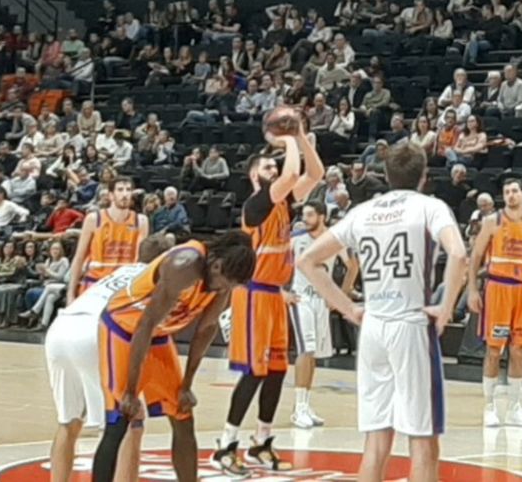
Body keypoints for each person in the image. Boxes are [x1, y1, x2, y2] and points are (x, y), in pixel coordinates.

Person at [298, 139, 469, 482]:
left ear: (387, 175)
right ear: (423, 176)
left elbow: (307, 261)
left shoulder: (363, 212)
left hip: (373, 327)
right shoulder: (429, 206)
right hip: (411, 325)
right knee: (422, 442)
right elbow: (459, 254)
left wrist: (348, 308)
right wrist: (447, 306)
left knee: (376, 442)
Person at [89, 232, 257, 482]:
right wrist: (131, 391)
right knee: (119, 419)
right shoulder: (185, 264)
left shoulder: (222, 278)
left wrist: (186, 385)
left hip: (158, 334)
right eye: (225, 282)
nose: (225, 289)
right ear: (217, 265)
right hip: (123, 330)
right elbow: (144, 324)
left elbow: (205, 330)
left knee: (182, 414)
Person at [212, 119, 324, 474]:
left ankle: (261, 443)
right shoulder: (256, 204)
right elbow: (292, 173)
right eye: (266, 166)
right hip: (253, 295)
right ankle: (225, 445)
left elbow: (315, 172)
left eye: (274, 164)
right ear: (254, 177)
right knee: (254, 372)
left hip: (275, 295)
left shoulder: (283, 201)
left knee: (276, 370)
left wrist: (302, 137)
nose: (273, 167)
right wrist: (288, 138)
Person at [43, 233, 173, 482]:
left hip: (61, 328)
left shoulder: (121, 271)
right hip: (96, 332)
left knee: (68, 422)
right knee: (129, 422)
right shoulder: (159, 278)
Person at [466, 178, 522, 428]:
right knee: (494, 350)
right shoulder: (492, 222)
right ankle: (489, 408)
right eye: (507, 192)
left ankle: (515, 409)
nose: (511, 195)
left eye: (515, 191)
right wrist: (472, 289)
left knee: (518, 350)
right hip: (498, 289)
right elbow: (476, 257)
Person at [289, 201, 357, 429]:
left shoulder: (334, 239)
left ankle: (306, 405)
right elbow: (277, 265)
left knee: (314, 354)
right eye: (303, 214)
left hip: (321, 300)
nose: (304, 219)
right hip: (300, 298)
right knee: (305, 350)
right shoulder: (296, 238)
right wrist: (282, 291)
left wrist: (339, 297)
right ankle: (298, 408)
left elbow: (353, 267)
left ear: (322, 216)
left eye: (310, 215)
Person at [68, 178, 149, 300]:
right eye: (120, 190)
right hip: (95, 282)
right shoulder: (94, 219)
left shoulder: (141, 221)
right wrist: (70, 293)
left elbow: (142, 261)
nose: (125, 194)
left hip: (124, 286)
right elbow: (79, 257)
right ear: (111, 195)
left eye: (128, 190)